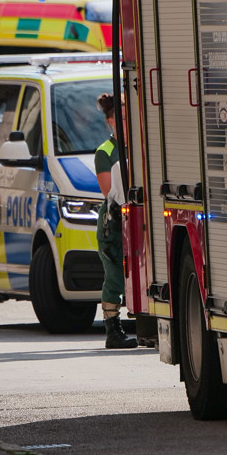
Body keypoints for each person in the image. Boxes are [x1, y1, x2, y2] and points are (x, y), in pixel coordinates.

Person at [95, 92, 136, 349]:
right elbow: (108, 191)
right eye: (120, 117)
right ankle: (113, 331)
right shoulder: (105, 152)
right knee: (115, 276)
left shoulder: (139, 144)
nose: (125, 121)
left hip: (134, 217)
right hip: (114, 221)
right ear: (111, 121)